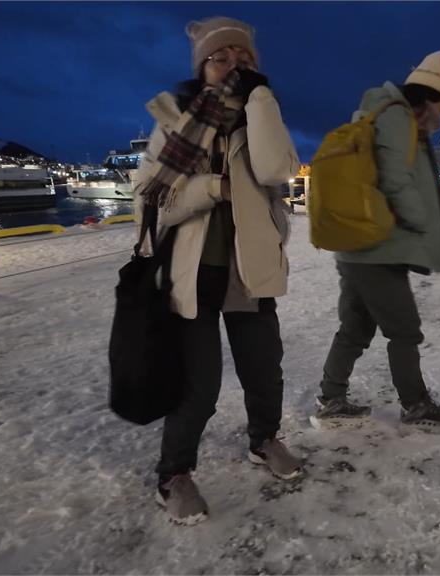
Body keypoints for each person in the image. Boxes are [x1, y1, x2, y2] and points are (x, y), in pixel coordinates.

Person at [132, 16, 302, 525]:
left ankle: (264, 440)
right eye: (221, 58)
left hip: (250, 268)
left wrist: (262, 99)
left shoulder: (260, 115)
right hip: (192, 272)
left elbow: (278, 171)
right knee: (197, 386)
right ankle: (174, 475)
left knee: (264, 371)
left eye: (244, 59)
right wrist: (212, 189)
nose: (233, 66)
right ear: (202, 67)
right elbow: (151, 197)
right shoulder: (173, 121)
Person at [314, 51, 440, 428]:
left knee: (356, 327)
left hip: (359, 243)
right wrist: (420, 219)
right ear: (427, 99)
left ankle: (331, 398)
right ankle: (416, 404)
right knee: (405, 329)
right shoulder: (396, 115)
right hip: (378, 247)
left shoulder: (374, 113)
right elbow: (395, 178)